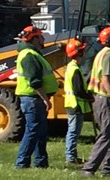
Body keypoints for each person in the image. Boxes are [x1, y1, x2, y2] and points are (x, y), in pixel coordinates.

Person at [13, 25, 58, 169]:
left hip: (34, 99)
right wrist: (45, 99)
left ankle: (41, 162)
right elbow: (35, 81)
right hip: (33, 99)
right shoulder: (29, 56)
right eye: (41, 36)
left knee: (40, 132)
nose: (43, 39)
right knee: (32, 131)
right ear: (34, 39)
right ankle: (21, 163)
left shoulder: (32, 54)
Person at [82, 25, 110, 177]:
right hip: (105, 99)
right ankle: (89, 168)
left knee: (106, 134)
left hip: (99, 99)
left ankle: (108, 168)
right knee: (106, 135)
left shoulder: (101, 53)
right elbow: (105, 79)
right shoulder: (108, 55)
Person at [62, 38, 92, 165]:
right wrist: (89, 97)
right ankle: (70, 157)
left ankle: (72, 156)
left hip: (72, 103)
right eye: (82, 51)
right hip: (75, 104)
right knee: (73, 131)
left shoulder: (72, 67)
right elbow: (78, 90)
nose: (84, 53)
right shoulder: (74, 69)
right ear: (78, 53)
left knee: (73, 131)